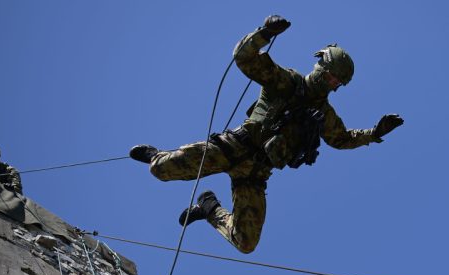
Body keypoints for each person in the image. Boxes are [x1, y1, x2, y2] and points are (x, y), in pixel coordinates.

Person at [129, 15, 404, 254]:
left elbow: (341, 139)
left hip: (256, 172)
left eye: (338, 83)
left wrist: (375, 133)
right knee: (161, 170)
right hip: (233, 147)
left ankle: (209, 207)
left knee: (246, 243)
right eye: (332, 76)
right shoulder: (286, 81)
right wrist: (265, 33)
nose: (332, 84)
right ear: (321, 66)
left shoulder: (324, 113)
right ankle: (156, 154)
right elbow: (244, 58)